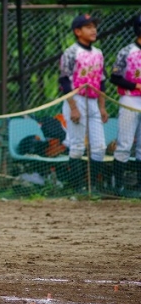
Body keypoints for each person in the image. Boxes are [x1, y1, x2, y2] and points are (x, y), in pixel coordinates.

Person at [58, 13, 108, 189]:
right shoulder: (71, 52)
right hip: (76, 99)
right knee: (77, 145)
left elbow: (102, 81)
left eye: (94, 26)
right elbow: (64, 81)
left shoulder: (98, 53)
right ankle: (77, 187)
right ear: (77, 31)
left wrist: (102, 107)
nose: (93, 30)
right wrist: (73, 108)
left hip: (93, 101)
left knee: (99, 147)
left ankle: (92, 187)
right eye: (88, 27)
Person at [109, 14, 141, 194]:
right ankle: (118, 186)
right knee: (125, 143)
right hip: (130, 99)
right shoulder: (127, 51)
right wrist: (136, 85)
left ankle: (139, 186)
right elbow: (115, 77)